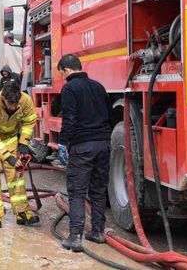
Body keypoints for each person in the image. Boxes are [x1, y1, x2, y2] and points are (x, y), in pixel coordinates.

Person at [57, 54, 112, 252]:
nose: (63, 77)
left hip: (82, 146)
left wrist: (63, 143)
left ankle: (75, 237)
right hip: (103, 144)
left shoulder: (70, 88)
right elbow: (109, 115)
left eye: (62, 73)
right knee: (98, 190)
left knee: (77, 191)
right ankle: (98, 231)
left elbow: (69, 119)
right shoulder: (99, 86)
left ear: (66, 70)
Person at [0, 81, 38, 229]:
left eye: (16, 103)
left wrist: (23, 144)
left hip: (9, 139)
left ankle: (22, 212)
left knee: (16, 176)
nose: (14, 107)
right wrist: (9, 158)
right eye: (10, 104)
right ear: (3, 97)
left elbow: (30, 121)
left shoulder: (25, 100)